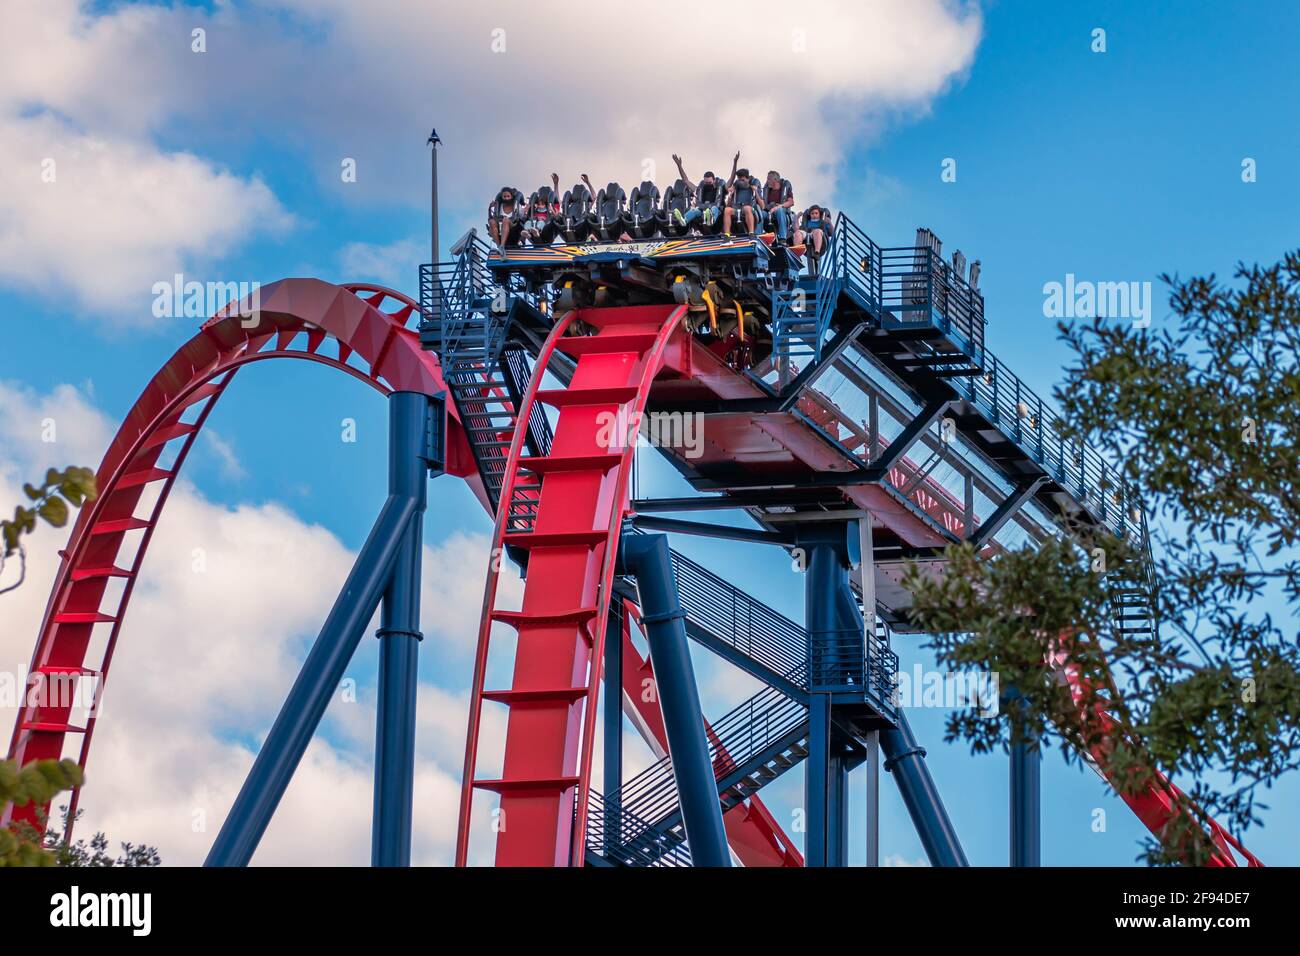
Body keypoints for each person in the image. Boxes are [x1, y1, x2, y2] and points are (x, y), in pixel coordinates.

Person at [670, 152, 737, 235]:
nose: (707, 184)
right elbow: (686, 181)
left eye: (709, 182)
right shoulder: (701, 188)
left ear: (714, 180)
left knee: (713, 209)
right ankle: (684, 220)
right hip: (703, 211)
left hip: (717, 214)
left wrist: (735, 163)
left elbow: (732, 178)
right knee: (694, 210)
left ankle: (710, 218)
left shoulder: (722, 187)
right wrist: (679, 166)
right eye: (706, 182)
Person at [522, 173, 562, 246]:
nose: (541, 205)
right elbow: (526, 214)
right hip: (534, 230)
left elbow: (556, 199)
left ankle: (536, 233)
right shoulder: (535, 206)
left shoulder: (552, 205)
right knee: (527, 222)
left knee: (542, 223)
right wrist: (527, 208)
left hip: (547, 232)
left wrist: (556, 184)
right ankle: (526, 234)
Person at [793, 204, 833, 275]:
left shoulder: (823, 222)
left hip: (819, 234)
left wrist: (829, 222)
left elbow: (832, 233)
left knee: (817, 231)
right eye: (812, 213)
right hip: (807, 233)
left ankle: (816, 252)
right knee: (798, 233)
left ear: (819, 214)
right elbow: (796, 229)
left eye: (816, 213)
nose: (814, 215)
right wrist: (796, 218)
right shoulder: (806, 222)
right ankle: (796, 255)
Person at [723, 166, 762, 237]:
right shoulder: (736, 186)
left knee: (747, 208)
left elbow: (762, 205)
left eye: (742, 180)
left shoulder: (754, 183)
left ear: (747, 178)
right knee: (727, 210)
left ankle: (751, 233)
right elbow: (728, 204)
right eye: (739, 179)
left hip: (749, 208)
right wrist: (730, 196)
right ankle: (727, 235)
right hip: (737, 208)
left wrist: (755, 190)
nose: (740, 182)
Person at [760, 170, 795, 244]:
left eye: (769, 179)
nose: (767, 181)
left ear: (775, 180)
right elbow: (764, 206)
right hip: (769, 212)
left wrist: (779, 206)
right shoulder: (767, 190)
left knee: (779, 210)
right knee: (760, 214)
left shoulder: (785, 187)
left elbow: (791, 202)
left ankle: (783, 239)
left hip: (783, 212)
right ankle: (757, 236)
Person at [560, 178, 596, 242]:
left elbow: (594, 197)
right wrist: (556, 184)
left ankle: (591, 239)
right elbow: (559, 200)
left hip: (582, 232)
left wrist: (588, 183)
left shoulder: (586, 206)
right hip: (571, 229)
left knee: (590, 217)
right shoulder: (569, 207)